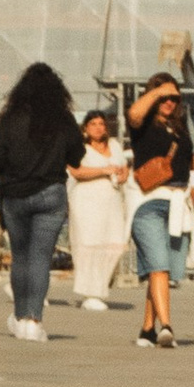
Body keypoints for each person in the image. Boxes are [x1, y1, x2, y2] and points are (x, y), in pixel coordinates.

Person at [0, 63, 88, 342]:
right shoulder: (63, 119)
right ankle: (34, 320)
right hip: (51, 193)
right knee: (40, 258)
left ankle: (20, 315)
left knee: (21, 258)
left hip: (15, 195)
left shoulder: (12, 119)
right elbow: (77, 156)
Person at [125, 71, 193, 350]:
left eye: (174, 97)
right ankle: (166, 326)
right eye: (163, 97)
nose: (169, 102)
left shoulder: (180, 128)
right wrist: (158, 90)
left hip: (177, 203)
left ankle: (147, 329)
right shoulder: (142, 125)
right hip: (149, 203)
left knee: (161, 270)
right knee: (159, 265)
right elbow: (133, 114)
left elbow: (189, 163)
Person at [67, 109, 134, 309]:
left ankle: (101, 288)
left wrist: (122, 175)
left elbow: (123, 169)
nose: (98, 128)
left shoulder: (114, 145)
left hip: (111, 201)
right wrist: (104, 170)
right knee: (89, 243)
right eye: (93, 124)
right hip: (86, 201)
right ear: (86, 128)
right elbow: (76, 171)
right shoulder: (80, 148)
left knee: (113, 243)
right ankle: (90, 293)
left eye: (101, 124)